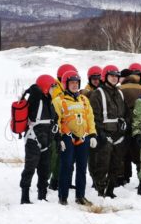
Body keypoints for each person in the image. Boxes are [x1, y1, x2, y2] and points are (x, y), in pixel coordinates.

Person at [53, 70, 97, 206]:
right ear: (66, 84)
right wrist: (59, 139)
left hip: (83, 137)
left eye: (76, 82)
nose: (74, 85)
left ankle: (80, 196)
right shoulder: (58, 101)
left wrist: (93, 134)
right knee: (66, 167)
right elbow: (56, 121)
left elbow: (90, 118)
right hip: (67, 137)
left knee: (82, 168)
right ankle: (63, 197)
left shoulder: (84, 100)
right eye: (71, 82)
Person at [89, 65, 128, 198]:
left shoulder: (120, 93)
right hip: (104, 135)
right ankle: (100, 191)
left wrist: (124, 124)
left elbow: (125, 112)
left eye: (116, 76)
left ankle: (110, 190)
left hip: (119, 136)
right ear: (105, 77)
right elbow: (94, 116)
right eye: (111, 76)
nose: (114, 78)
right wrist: (100, 133)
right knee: (102, 165)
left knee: (116, 165)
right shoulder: (97, 94)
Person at [20, 74, 57, 204]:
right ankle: (24, 197)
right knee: (30, 168)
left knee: (45, 170)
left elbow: (54, 120)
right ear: (46, 87)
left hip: (46, 140)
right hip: (33, 139)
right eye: (52, 86)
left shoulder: (50, 101)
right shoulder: (35, 99)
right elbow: (35, 90)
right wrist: (37, 88)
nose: (54, 90)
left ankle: (42, 196)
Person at [48, 64, 78, 191]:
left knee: (69, 156)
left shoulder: (65, 90)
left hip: (70, 126)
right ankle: (54, 181)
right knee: (58, 156)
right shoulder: (56, 89)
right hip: (58, 126)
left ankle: (66, 180)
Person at [119, 63, 141, 185]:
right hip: (140, 125)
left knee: (123, 153)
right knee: (139, 153)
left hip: (125, 124)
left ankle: (123, 178)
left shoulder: (120, 89)